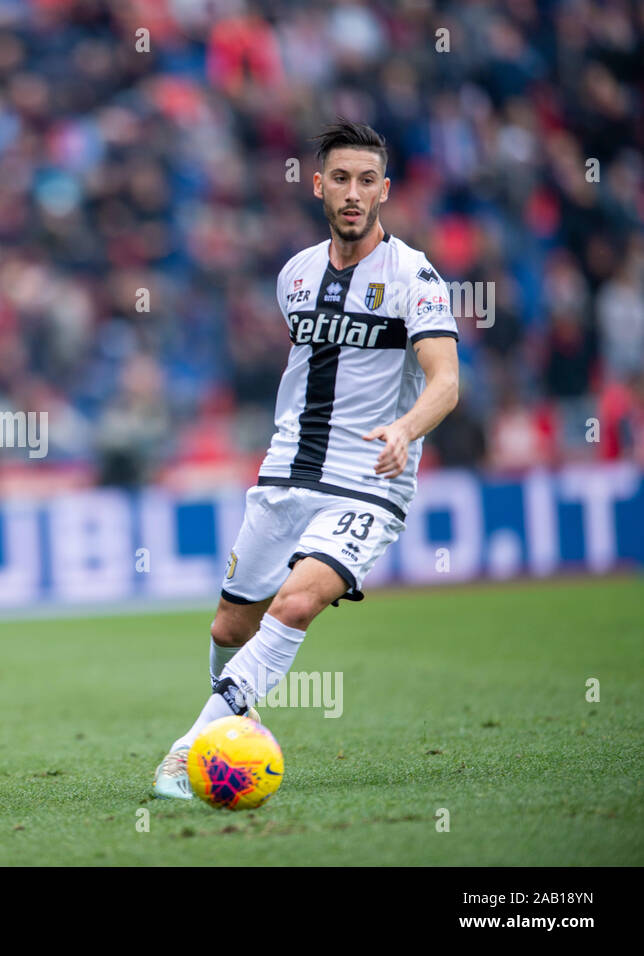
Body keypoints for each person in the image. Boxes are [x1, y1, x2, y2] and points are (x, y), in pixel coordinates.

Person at [153, 120, 459, 798]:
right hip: (284, 473)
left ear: (385, 189)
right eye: (341, 178)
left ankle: (190, 750)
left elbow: (445, 380)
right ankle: (239, 705)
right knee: (230, 625)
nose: (353, 193)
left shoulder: (416, 276)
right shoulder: (295, 275)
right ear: (318, 185)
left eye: (367, 180)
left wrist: (406, 429)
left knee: (293, 606)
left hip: (367, 481)